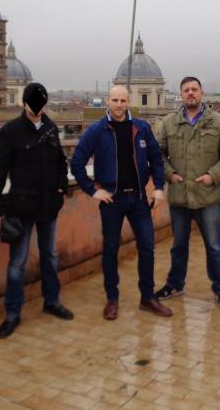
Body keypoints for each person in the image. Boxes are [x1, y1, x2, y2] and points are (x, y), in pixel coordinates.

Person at [70, 85, 172, 320]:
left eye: (122, 100)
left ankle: (147, 297)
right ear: (108, 100)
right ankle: (112, 299)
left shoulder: (142, 128)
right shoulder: (97, 130)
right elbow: (77, 163)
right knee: (110, 250)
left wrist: (158, 187)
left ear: (128, 102)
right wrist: (92, 191)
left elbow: (156, 158)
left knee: (147, 248)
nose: (118, 104)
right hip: (112, 200)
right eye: (114, 100)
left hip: (137, 198)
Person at [0, 83, 74, 338]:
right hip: (21, 208)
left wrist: (61, 188)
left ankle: (52, 301)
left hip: (48, 205)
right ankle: (13, 313)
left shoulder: (51, 128)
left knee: (50, 255)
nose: (37, 109)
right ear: (24, 103)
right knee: (17, 262)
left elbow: (60, 162)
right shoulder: (10, 132)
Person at [154, 77, 220, 310]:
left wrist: (213, 175)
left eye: (194, 89)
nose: (190, 93)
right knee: (178, 245)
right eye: (186, 90)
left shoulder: (218, 122)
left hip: (207, 197)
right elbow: (157, 155)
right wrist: (169, 174)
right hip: (180, 196)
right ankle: (175, 284)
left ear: (202, 93)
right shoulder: (169, 123)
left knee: (214, 247)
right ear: (180, 94)